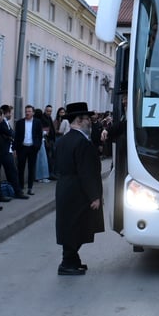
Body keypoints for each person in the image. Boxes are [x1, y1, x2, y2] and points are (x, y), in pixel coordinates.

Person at [52, 102, 104, 275]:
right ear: (79, 120)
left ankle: (73, 260)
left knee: (72, 225)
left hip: (65, 188)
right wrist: (94, 196)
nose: (90, 122)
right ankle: (67, 263)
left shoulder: (64, 140)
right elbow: (86, 171)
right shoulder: (81, 142)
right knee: (76, 226)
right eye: (87, 119)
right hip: (78, 190)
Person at [14, 104, 43, 197]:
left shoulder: (37, 122)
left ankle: (30, 188)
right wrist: (14, 148)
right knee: (20, 168)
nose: (27, 113)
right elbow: (16, 136)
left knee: (31, 168)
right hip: (22, 148)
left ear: (33, 113)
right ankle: (21, 188)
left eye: (29, 111)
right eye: (26, 111)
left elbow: (39, 135)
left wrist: (37, 146)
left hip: (32, 148)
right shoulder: (20, 123)